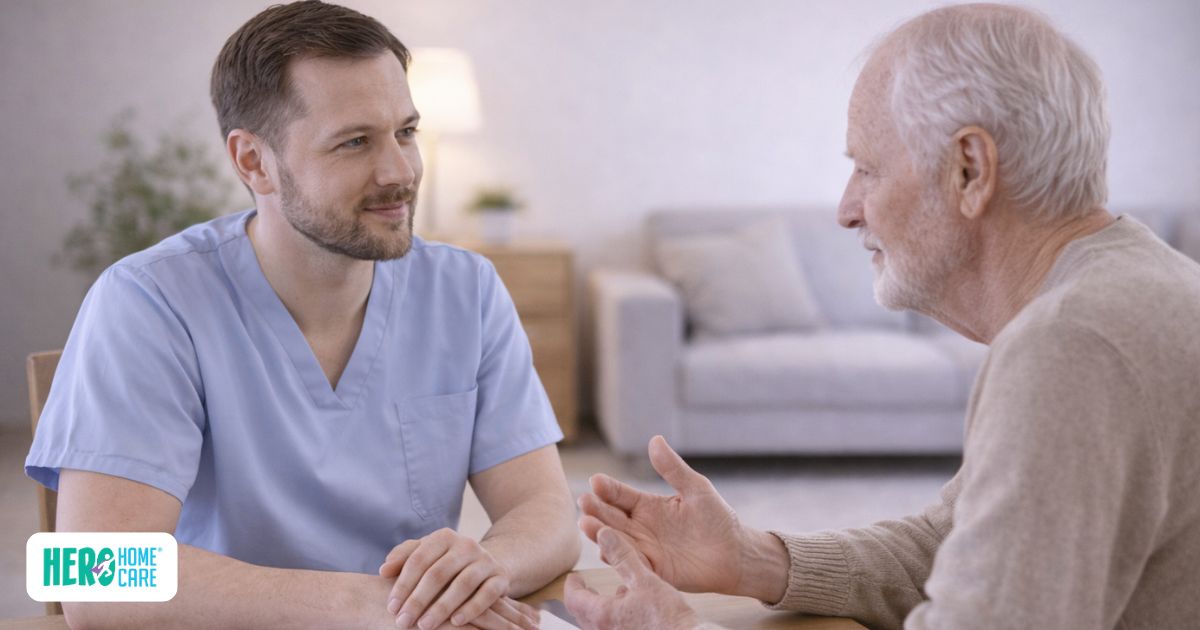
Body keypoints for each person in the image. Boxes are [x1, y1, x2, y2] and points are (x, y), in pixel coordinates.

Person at [567, 4, 1200, 629]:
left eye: (867, 169)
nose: (846, 210)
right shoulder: (1125, 289)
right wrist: (750, 557)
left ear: (969, 170)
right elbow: (951, 545)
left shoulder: (1072, 346)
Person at [25, 2, 579, 628]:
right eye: (354, 142)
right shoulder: (147, 302)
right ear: (252, 162)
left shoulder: (465, 289)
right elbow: (88, 574)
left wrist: (485, 567)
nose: (400, 172)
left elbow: (549, 513)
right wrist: (371, 604)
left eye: (405, 132)